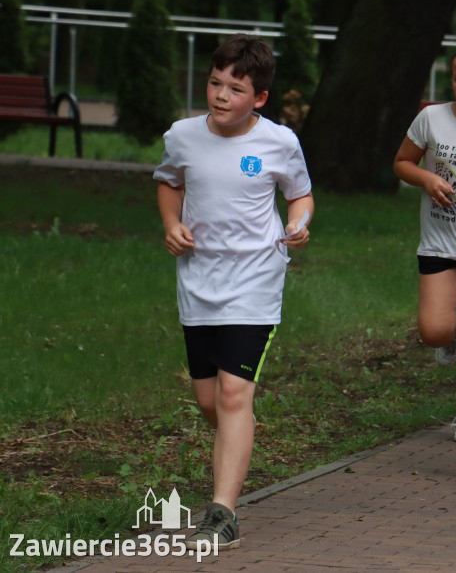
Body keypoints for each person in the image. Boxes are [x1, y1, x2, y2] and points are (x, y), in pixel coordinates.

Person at [155, 34, 314, 550]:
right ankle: (238, 438)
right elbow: (169, 180)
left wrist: (299, 224)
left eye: (235, 88)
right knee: (210, 400)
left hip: (256, 282)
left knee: (231, 393)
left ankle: (222, 513)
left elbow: (300, 193)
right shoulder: (181, 135)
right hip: (199, 282)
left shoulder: (279, 142)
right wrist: (170, 223)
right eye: (215, 83)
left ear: (259, 98)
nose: (221, 95)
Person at [393, 44, 456, 443]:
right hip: (439, 241)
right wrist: (428, 179)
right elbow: (402, 163)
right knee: (434, 332)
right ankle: (454, 330)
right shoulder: (431, 118)